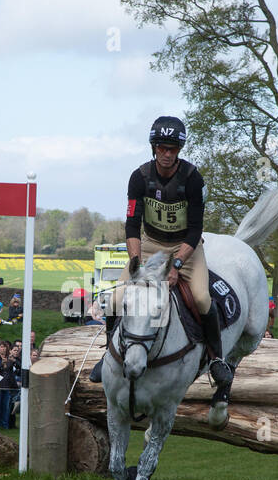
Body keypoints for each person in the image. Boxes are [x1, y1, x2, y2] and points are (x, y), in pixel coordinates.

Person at [93, 115, 230, 386]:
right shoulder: (139, 177)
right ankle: (107, 355)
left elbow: (195, 230)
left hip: (185, 248)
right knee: (118, 297)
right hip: (150, 245)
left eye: (173, 149)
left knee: (202, 298)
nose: (167, 154)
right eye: (162, 148)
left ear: (179, 151)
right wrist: (135, 263)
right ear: (154, 147)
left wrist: (177, 265)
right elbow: (132, 225)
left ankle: (216, 358)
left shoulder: (193, 180)